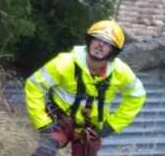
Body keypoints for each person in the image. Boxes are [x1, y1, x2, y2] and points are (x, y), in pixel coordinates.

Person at [23, 20, 147, 156]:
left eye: (107, 43)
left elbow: (137, 96)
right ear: (89, 41)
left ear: (113, 51)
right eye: (97, 39)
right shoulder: (65, 62)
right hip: (58, 120)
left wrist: (113, 124)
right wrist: (43, 122)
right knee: (44, 152)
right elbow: (34, 85)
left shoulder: (121, 72)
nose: (100, 45)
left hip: (90, 128)